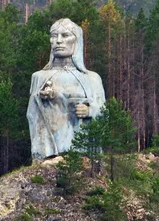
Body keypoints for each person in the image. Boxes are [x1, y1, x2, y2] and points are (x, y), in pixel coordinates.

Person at [26, 18, 105, 159]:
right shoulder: (39, 77)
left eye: (65, 35)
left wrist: (90, 110)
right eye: (54, 36)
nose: (58, 40)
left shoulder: (92, 78)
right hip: (49, 150)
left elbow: (104, 112)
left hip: (81, 152)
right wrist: (41, 98)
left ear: (77, 40)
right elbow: (31, 115)